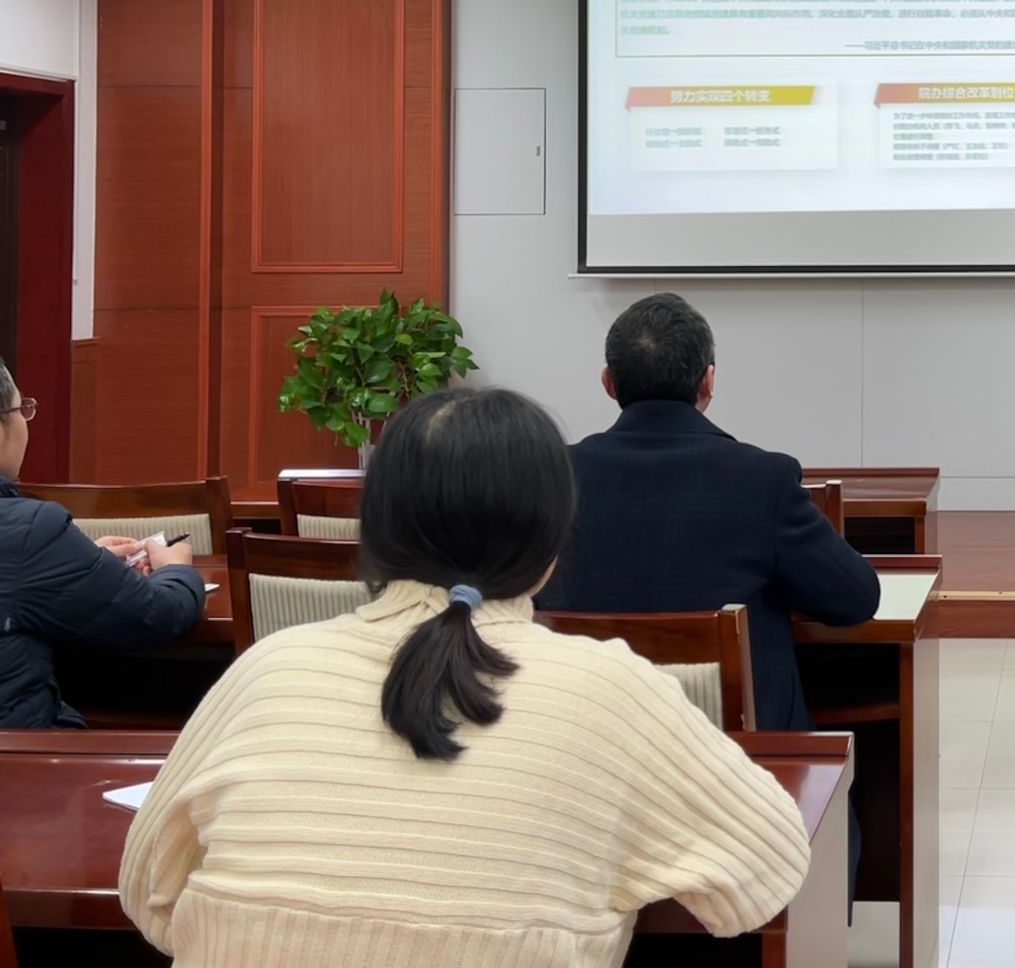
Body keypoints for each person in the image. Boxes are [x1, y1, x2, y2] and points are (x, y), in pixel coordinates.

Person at [120, 385, 810, 965]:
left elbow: (149, 896)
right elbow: (763, 875)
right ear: (552, 540)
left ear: (373, 531)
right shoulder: (612, 691)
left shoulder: (266, 669)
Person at [538, 293, 882, 733]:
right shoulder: (763, 479)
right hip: (740, 759)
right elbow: (856, 598)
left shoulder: (551, 478)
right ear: (708, 381)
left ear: (608, 382)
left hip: (589, 745)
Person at [0, 355, 204, 728]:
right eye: (21, 409)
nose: (26, 422)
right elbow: (157, 616)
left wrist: (79, 563)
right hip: (23, 752)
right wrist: (177, 569)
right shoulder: (30, 530)